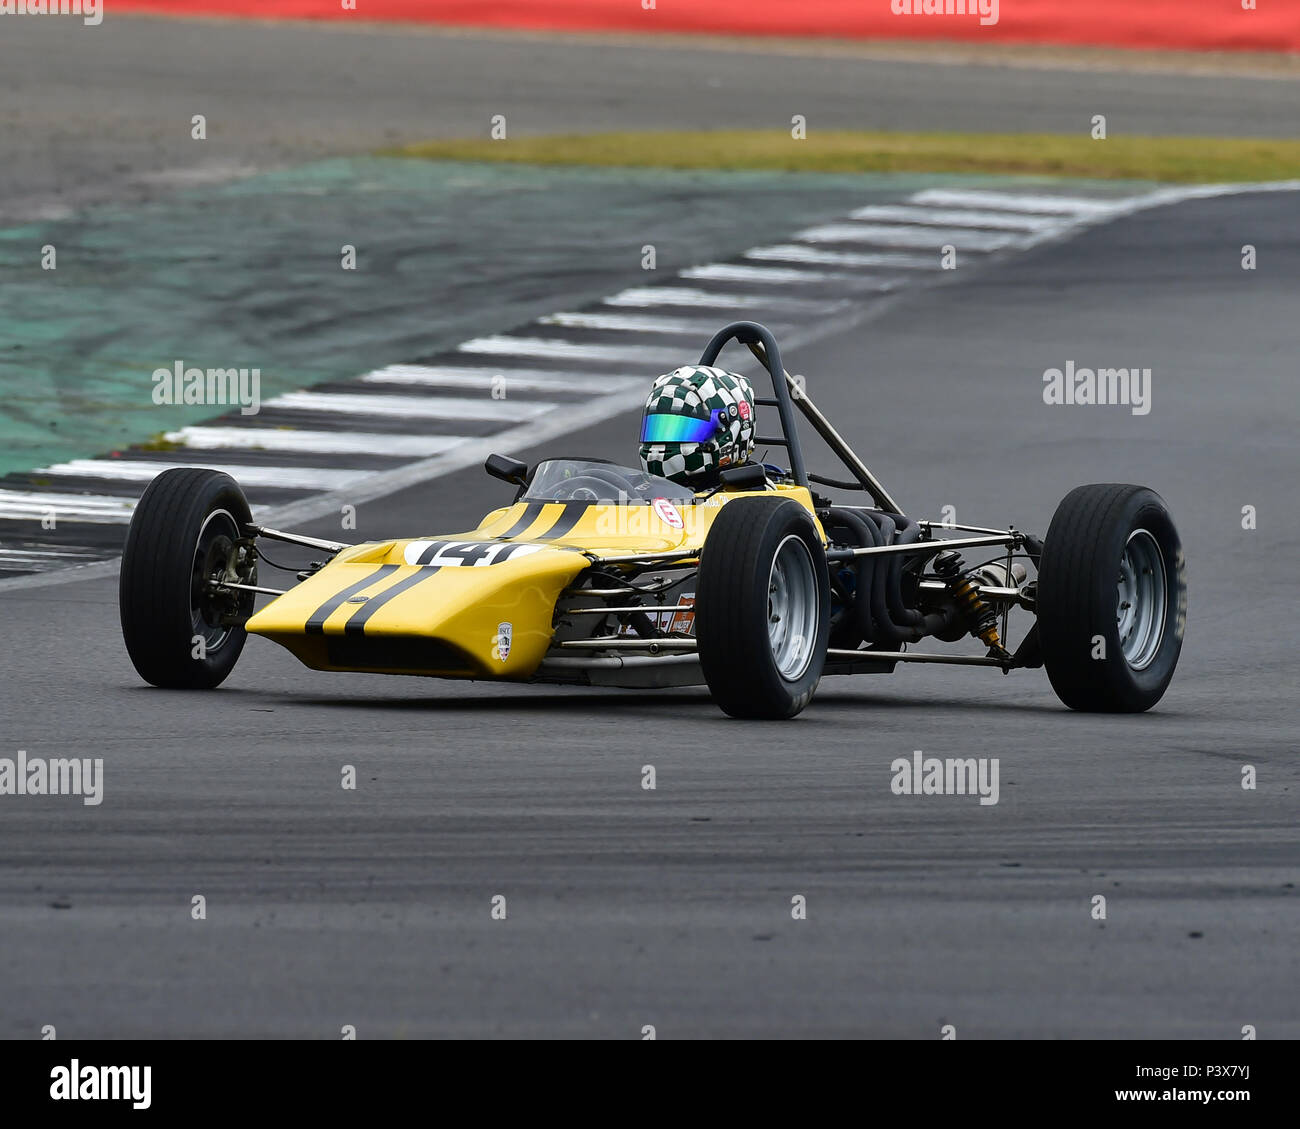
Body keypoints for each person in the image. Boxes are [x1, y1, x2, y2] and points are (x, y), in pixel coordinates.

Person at [637, 365, 758, 487]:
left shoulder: (757, 493)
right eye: (657, 429)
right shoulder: (642, 490)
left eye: (684, 429)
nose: (662, 442)